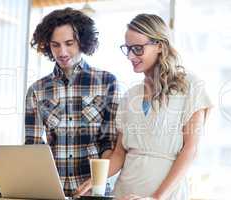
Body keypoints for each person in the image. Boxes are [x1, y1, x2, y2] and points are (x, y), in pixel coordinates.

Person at [77, 13, 212, 199]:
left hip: (165, 195)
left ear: (160, 46)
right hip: (125, 193)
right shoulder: (130, 96)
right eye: (128, 48)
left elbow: (190, 150)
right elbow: (119, 153)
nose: (131, 56)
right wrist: (96, 180)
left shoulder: (191, 87)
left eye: (138, 49)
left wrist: (156, 197)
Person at [25, 7, 119, 197]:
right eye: (55, 45)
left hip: (93, 191)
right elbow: (33, 146)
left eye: (69, 43)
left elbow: (109, 143)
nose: (62, 52)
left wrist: (98, 183)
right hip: (52, 190)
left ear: (83, 42)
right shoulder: (37, 90)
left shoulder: (107, 82)